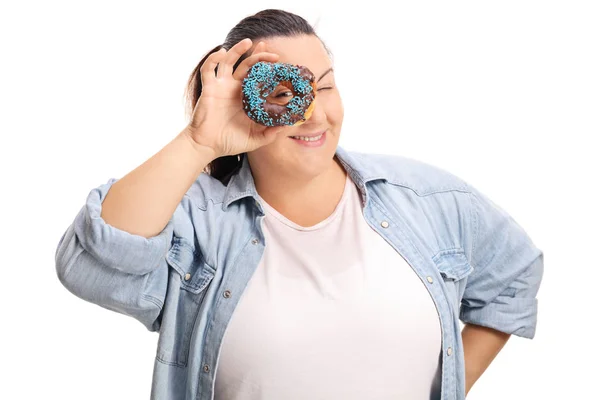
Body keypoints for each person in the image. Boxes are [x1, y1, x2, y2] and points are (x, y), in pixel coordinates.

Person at [55, 8, 544, 400]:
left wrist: (452, 387)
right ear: (241, 102)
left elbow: (513, 275)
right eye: (285, 93)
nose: (312, 111)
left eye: (324, 85)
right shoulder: (196, 219)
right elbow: (96, 266)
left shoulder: (427, 200)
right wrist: (199, 141)